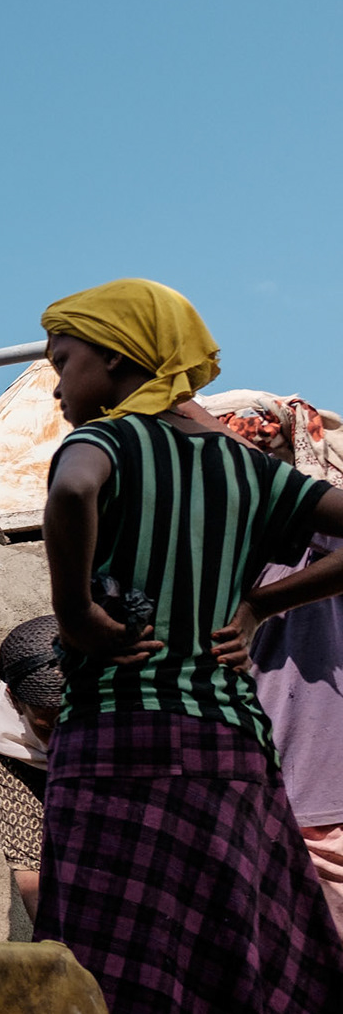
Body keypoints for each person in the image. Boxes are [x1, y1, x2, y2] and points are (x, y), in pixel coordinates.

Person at [37, 277, 343, 1014]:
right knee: (235, 965)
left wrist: (76, 615)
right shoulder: (248, 471)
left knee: (122, 980)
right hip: (234, 758)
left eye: (63, 361)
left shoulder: (109, 443)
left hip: (117, 748)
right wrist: (262, 604)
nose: (57, 384)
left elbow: (72, 493)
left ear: (120, 358)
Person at [205, 390, 343, 935]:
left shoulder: (319, 532)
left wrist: (260, 607)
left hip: (316, 794)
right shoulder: (203, 540)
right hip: (233, 790)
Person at [0, 615, 58, 921]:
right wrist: (53, 938)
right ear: (15, 701)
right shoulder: (6, 741)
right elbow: (28, 854)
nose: (62, 740)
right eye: (47, 727)